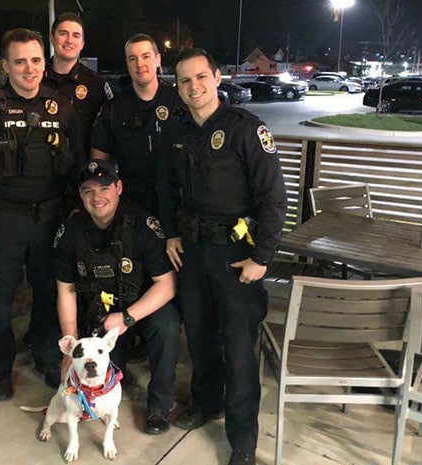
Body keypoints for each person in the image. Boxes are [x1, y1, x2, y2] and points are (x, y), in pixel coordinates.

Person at [156, 48, 287, 465]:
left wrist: (262, 257)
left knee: (238, 348)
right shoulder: (176, 131)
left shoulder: (246, 128)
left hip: (236, 257)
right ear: (177, 88)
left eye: (200, 77)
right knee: (199, 338)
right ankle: (207, 402)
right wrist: (172, 234)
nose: (194, 87)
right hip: (193, 254)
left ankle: (243, 440)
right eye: (184, 81)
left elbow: (273, 196)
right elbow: (166, 189)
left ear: (216, 77)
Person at [0, 28, 83, 401]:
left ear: (45, 62)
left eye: (36, 60)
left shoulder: (62, 106)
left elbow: (76, 167)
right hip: (2, 218)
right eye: (20, 61)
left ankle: (45, 357)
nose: (30, 69)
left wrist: (77, 216)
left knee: (47, 295)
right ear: (6, 65)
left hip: (51, 219)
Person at [53, 158, 181, 435]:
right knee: (98, 374)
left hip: (142, 307)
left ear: (119, 187)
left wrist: (126, 318)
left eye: (104, 188)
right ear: (81, 195)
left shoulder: (143, 224)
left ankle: (160, 405)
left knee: (167, 327)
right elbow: (65, 289)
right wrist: (71, 346)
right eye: (88, 191)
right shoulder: (71, 230)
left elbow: (167, 285)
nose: (97, 197)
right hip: (101, 313)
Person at [90, 33, 182, 212]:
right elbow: (98, 164)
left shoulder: (179, 102)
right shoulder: (113, 109)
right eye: (133, 59)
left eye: (146, 56)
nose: (140, 64)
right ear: (127, 64)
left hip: (177, 206)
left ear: (157, 59)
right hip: (131, 207)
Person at [43, 12, 113, 157]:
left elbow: (110, 131)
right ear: (51, 38)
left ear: (82, 44)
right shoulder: (36, 78)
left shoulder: (97, 84)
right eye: (63, 33)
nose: (69, 40)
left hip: (82, 171)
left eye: (76, 36)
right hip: (41, 171)